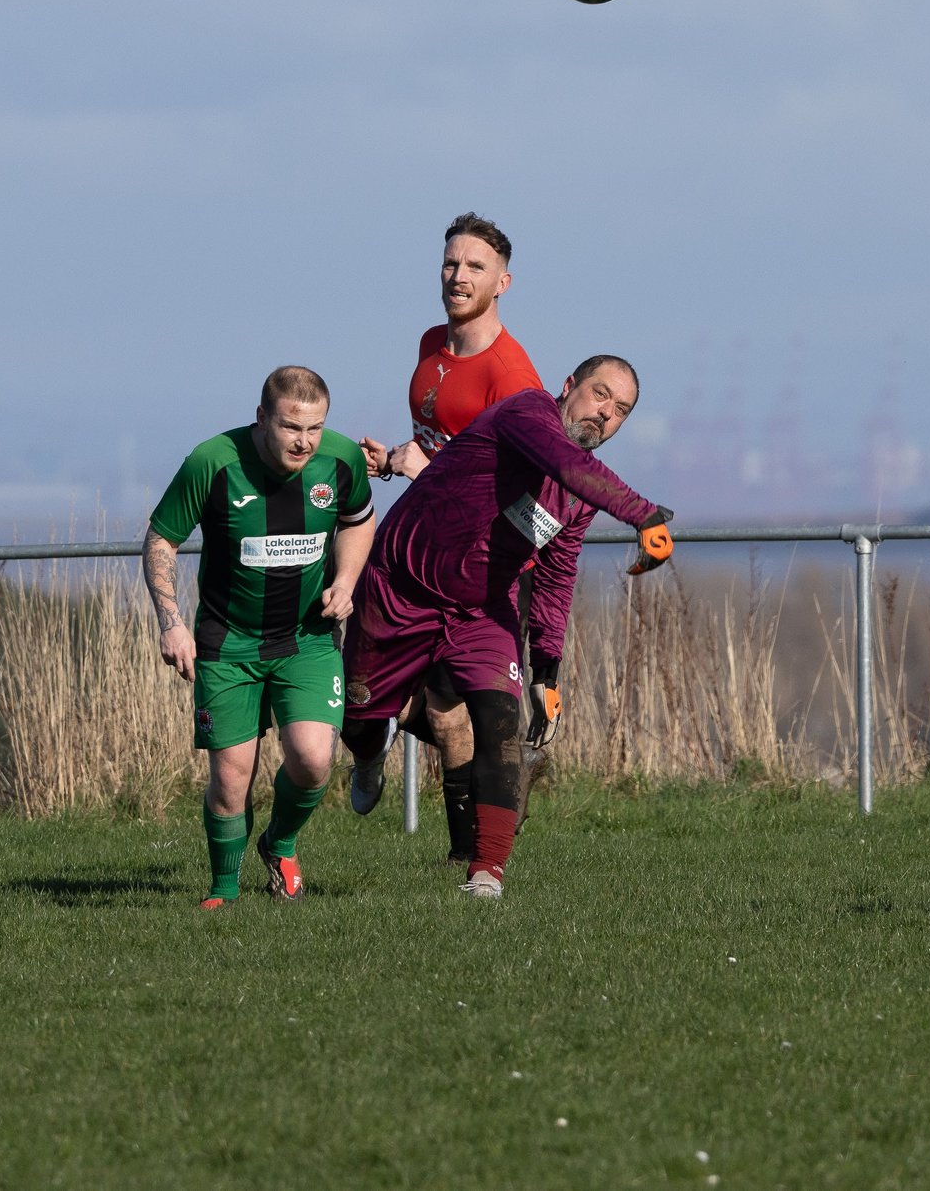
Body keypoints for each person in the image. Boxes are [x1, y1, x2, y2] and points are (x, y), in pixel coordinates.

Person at [342, 356, 673, 898]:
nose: (605, 414)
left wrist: (548, 668)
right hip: (402, 586)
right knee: (358, 718)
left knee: (501, 724)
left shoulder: (577, 495)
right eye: (599, 394)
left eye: (621, 411)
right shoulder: (526, 413)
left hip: (481, 608)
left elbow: (557, 574)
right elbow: (566, 464)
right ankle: (368, 743)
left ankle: (485, 874)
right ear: (568, 386)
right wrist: (643, 513)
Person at [144, 366, 375, 907]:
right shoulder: (212, 462)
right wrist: (171, 621)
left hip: (308, 640)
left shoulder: (340, 460)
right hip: (228, 644)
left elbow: (360, 520)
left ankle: (280, 842)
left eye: (315, 428)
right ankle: (223, 892)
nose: (304, 441)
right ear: (262, 418)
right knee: (230, 780)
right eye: (292, 427)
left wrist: (345, 581)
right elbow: (161, 540)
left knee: (314, 759)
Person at [355, 212, 544, 859]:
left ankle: (482, 833)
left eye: (475, 268)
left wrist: (423, 469)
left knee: (460, 708)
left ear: (504, 282)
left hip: (485, 566)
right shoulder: (431, 342)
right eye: (451, 264)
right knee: (437, 710)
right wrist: (394, 462)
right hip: (424, 557)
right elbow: (445, 445)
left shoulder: (512, 378)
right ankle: (467, 844)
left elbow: (506, 486)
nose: (459, 277)